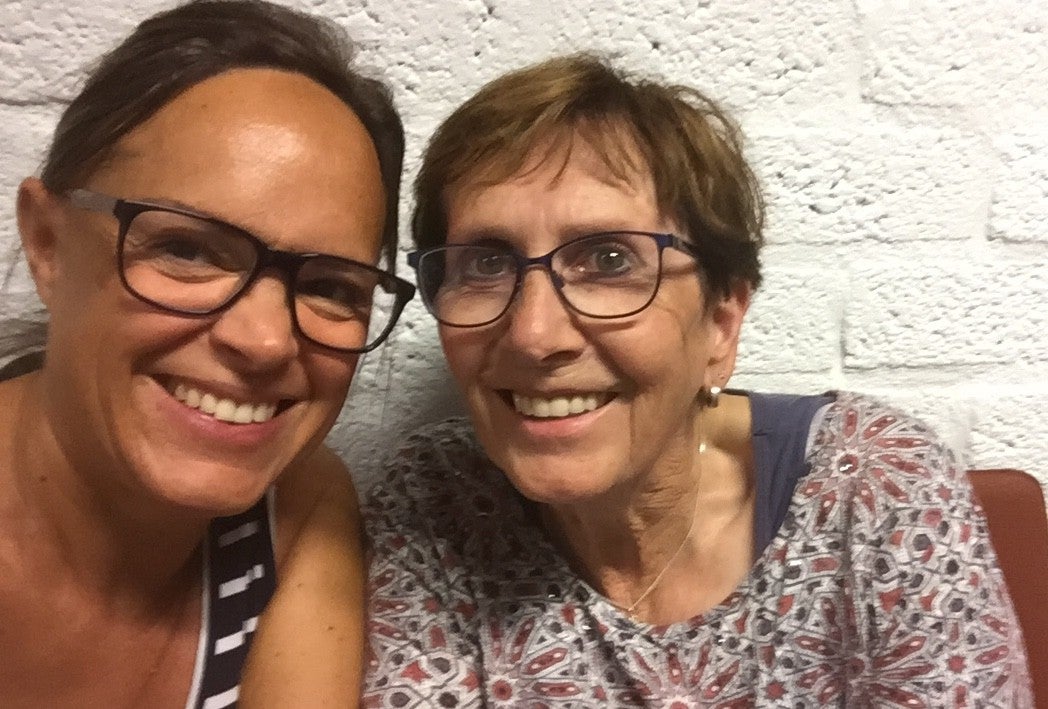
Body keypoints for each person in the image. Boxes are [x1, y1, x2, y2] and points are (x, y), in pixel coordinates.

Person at [363, 54, 1033, 706]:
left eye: (609, 259)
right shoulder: (440, 501)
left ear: (720, 322)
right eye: (485, 264)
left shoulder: (877, 487)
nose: (534, 335)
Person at [0, 1, 415, 706]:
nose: (265, 340)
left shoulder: (297, 510)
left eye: (330, 286)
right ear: (48, 243)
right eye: (187, 249)